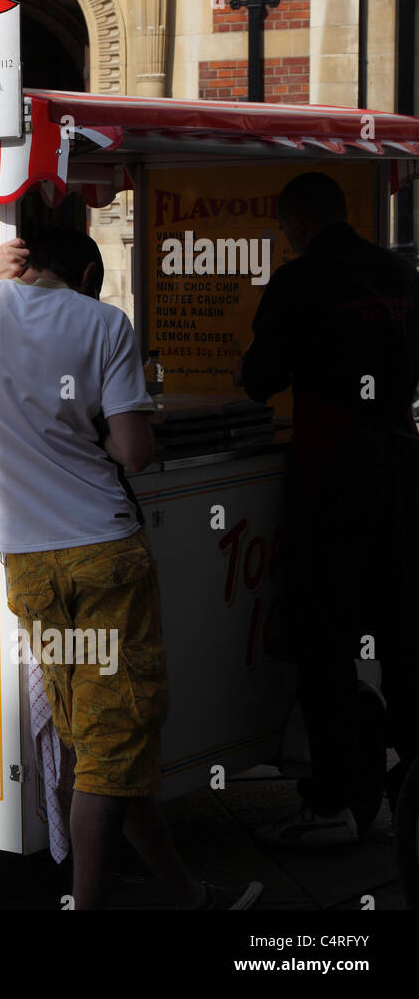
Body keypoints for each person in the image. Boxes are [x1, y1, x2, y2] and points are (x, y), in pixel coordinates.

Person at [0, 228, 260, 910]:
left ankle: (189, 896)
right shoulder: (104, 323)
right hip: (105, 554)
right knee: (113, 744)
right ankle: (87, 902)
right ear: (85, 272)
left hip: (27, 566)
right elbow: (134, 450)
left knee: (99, 742)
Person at [240, 171, 419, 846]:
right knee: (403, 632)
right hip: (400, 466)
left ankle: (338, 800)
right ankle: (410, 785)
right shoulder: (398, 274)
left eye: (287, 229)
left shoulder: (300, 280)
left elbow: (261, 378)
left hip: (335, 477)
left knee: (327, 638)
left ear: (301, 224)